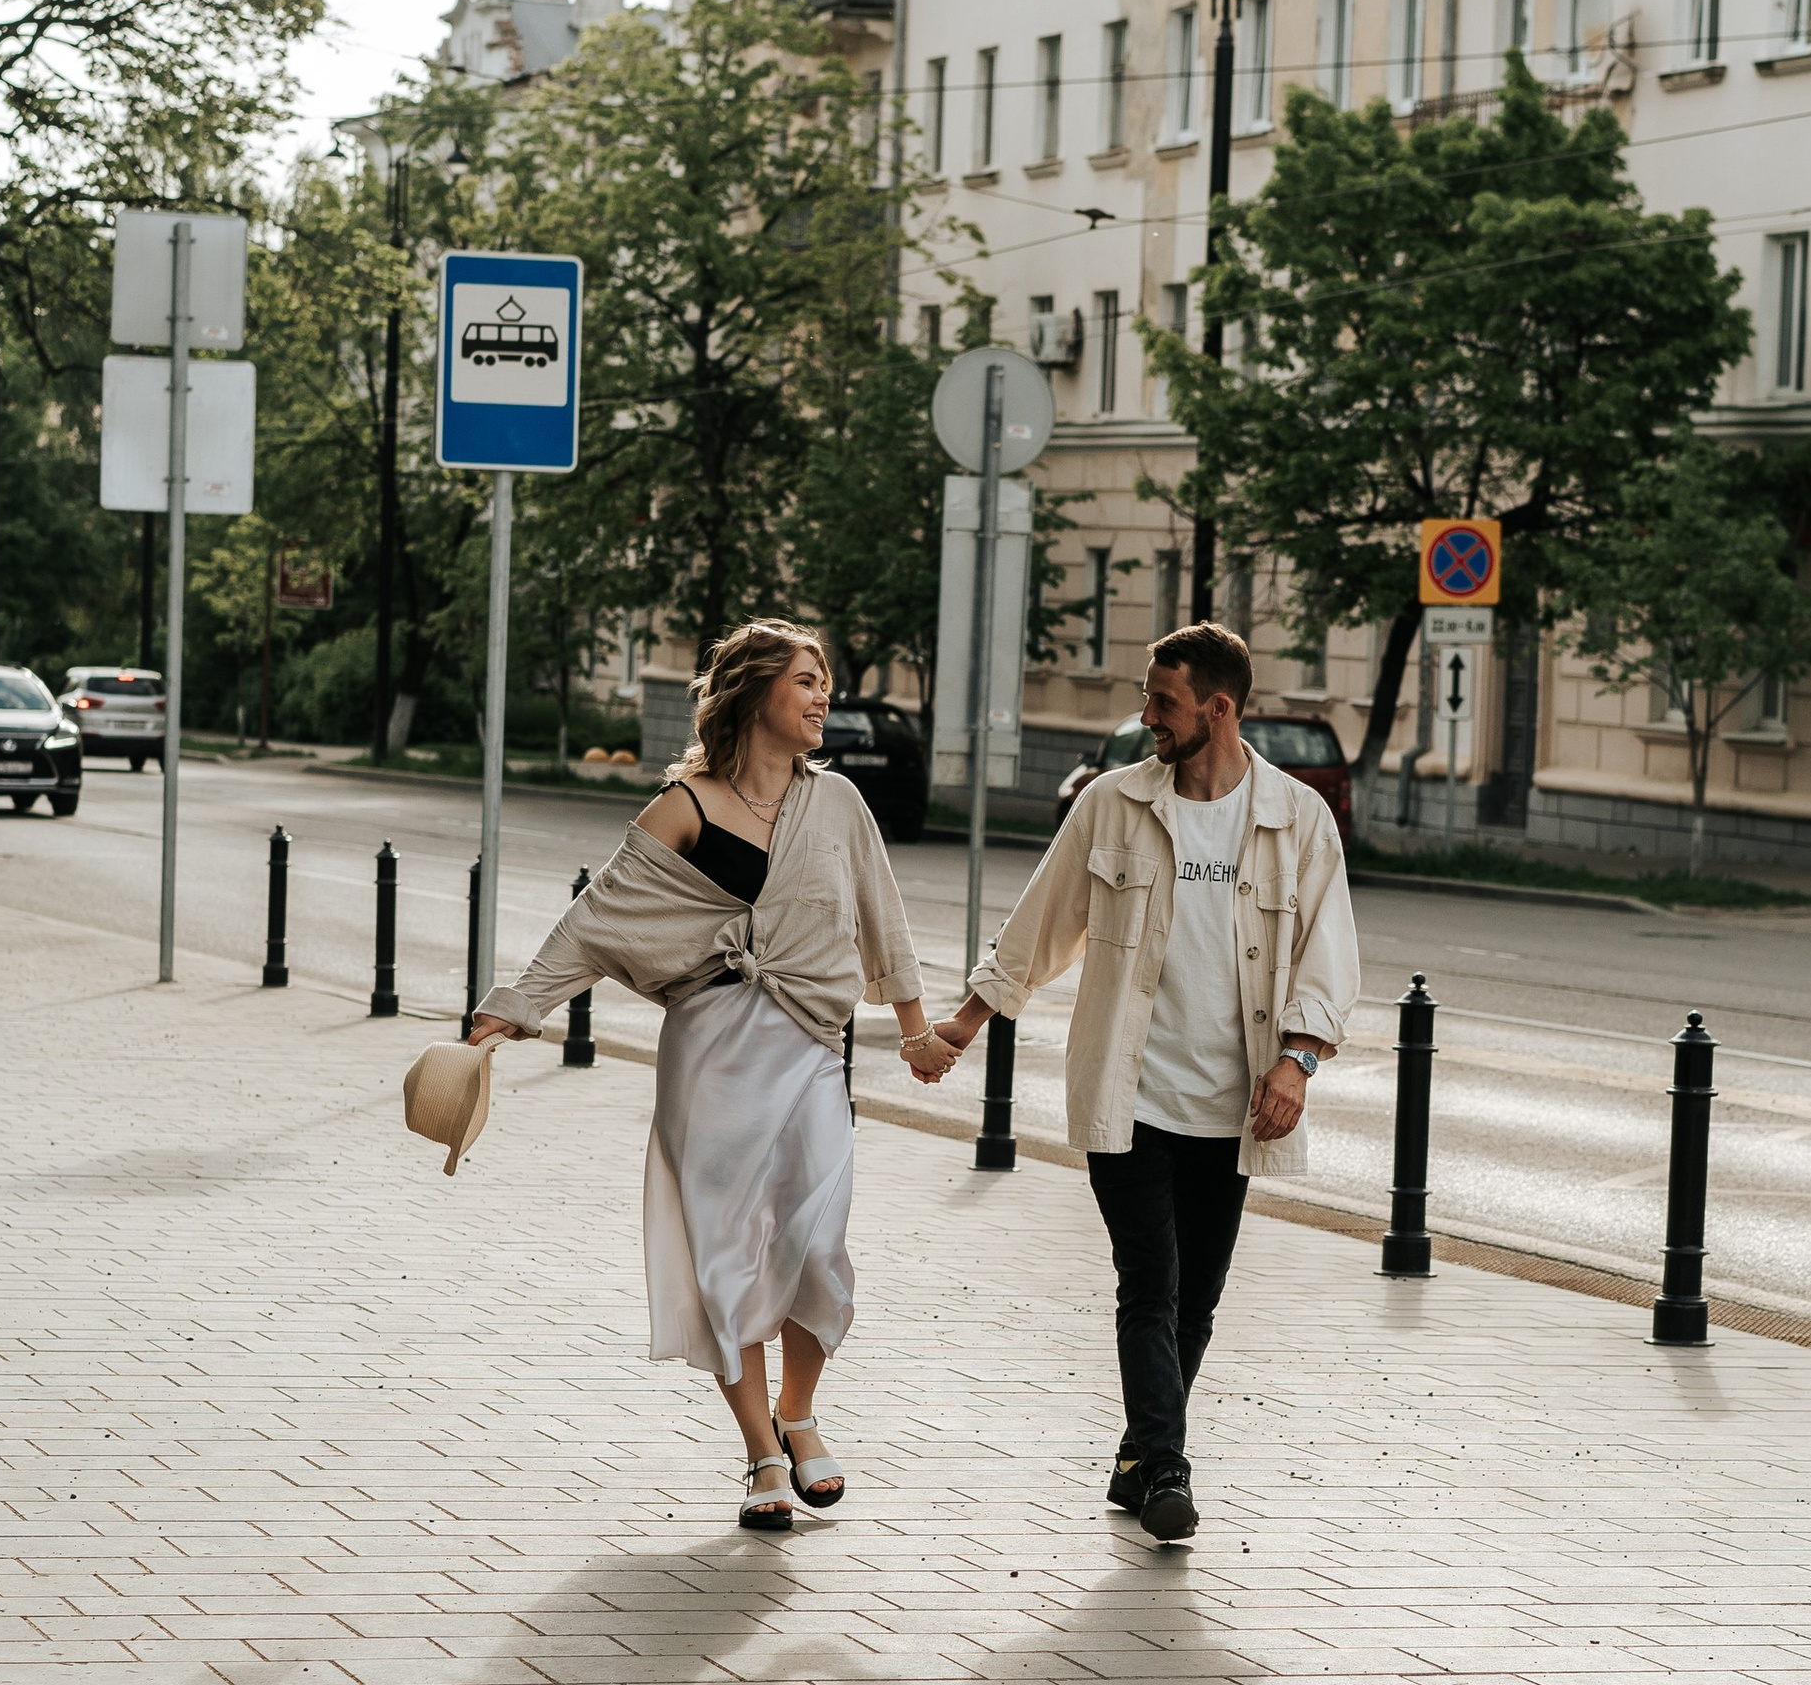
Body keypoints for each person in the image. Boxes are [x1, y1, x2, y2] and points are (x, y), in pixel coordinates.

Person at [468, 620, 958, 1530]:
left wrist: (917, 1030)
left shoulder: (839, 802)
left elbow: (881, 917)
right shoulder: (684, 807)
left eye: (826, 681)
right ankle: (762, 1454)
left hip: (811, 1046)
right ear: (753, 694)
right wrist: (515, 1006)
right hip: (711, 1052)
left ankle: (801, 1412)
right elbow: (597, 922)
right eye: (807, 681)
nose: (823, 698)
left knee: (818, 1244)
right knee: (725, 1252)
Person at [935, 623, 1360, 1543]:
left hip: (1235, 1102)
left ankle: (1137, 1455)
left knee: (1196, 1298)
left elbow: (1329, 954)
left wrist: (1298, 1060)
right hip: (1129, 1093)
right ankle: (1167, 1464)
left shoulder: (1295, 818)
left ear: (1219, 709)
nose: (1146, 717)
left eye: (1162, 702)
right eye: (1146, 698)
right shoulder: (1113, 804)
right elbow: (1041, 922)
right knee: (1150, 1281)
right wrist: (964, 1027)